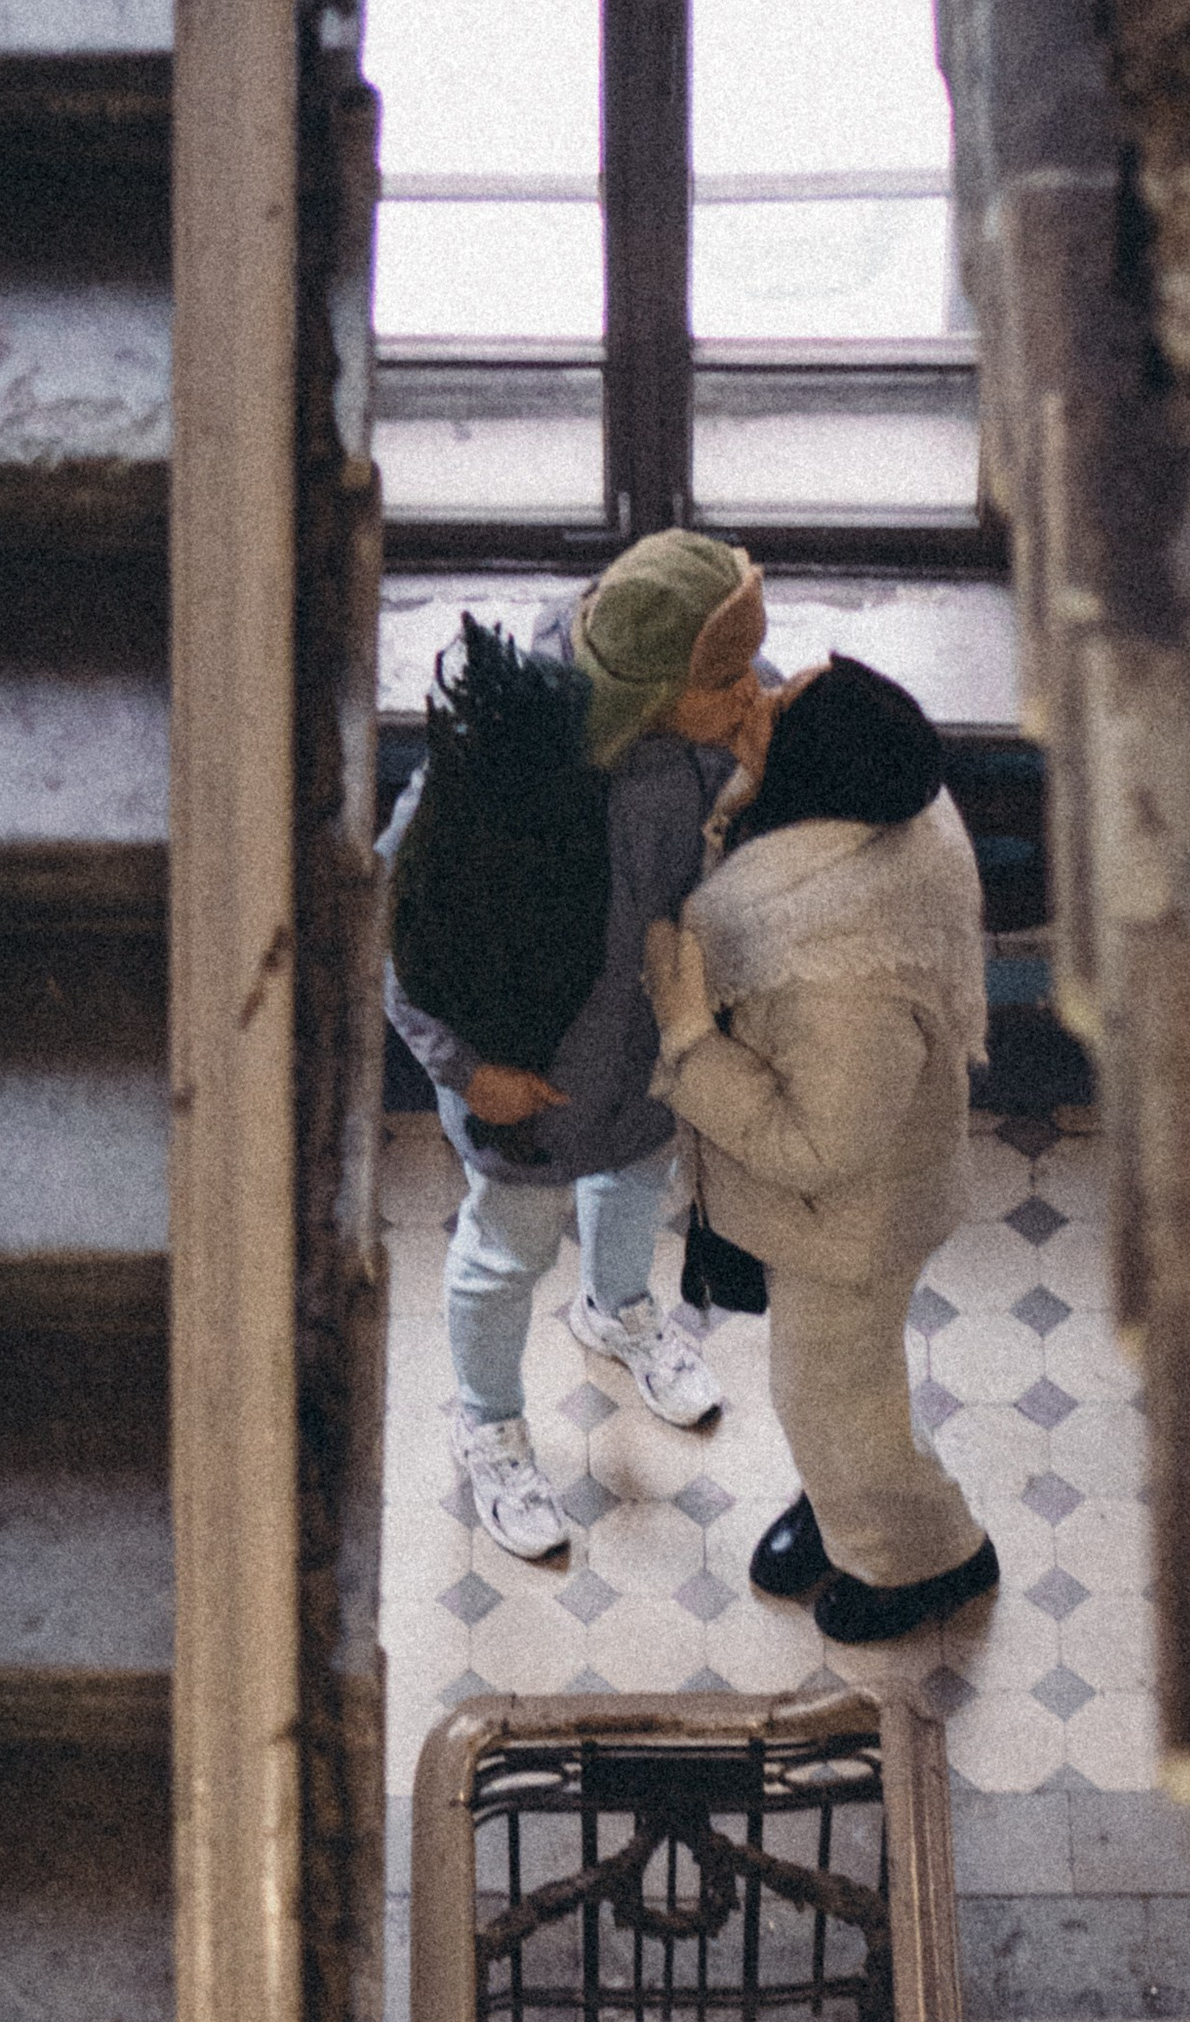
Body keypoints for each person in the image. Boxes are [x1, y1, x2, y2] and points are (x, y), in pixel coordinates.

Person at [384, 529, 771, 1561]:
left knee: (636, 1186)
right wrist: (466, 1071)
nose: (753, 691)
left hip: (646, 1061)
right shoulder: (506, 753)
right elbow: (394, 918)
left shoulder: (720, 718)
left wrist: (761, 781)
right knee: (504, 1253)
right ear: (652, 688)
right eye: (727, 678)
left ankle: (618, 1309)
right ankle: (486, 1419)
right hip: (530, 1086)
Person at [642, 653, 1001, 1644]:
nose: (757, 699)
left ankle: (925, 1557)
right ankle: (842, 1508)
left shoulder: (842, 974)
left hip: (851, 1223)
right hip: (847, 1202)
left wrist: (688, 1039)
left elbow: (814, 1148)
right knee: (841, 1393)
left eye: (777, 706)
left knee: (830, 1401)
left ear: (813, 770)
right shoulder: (883, 791)